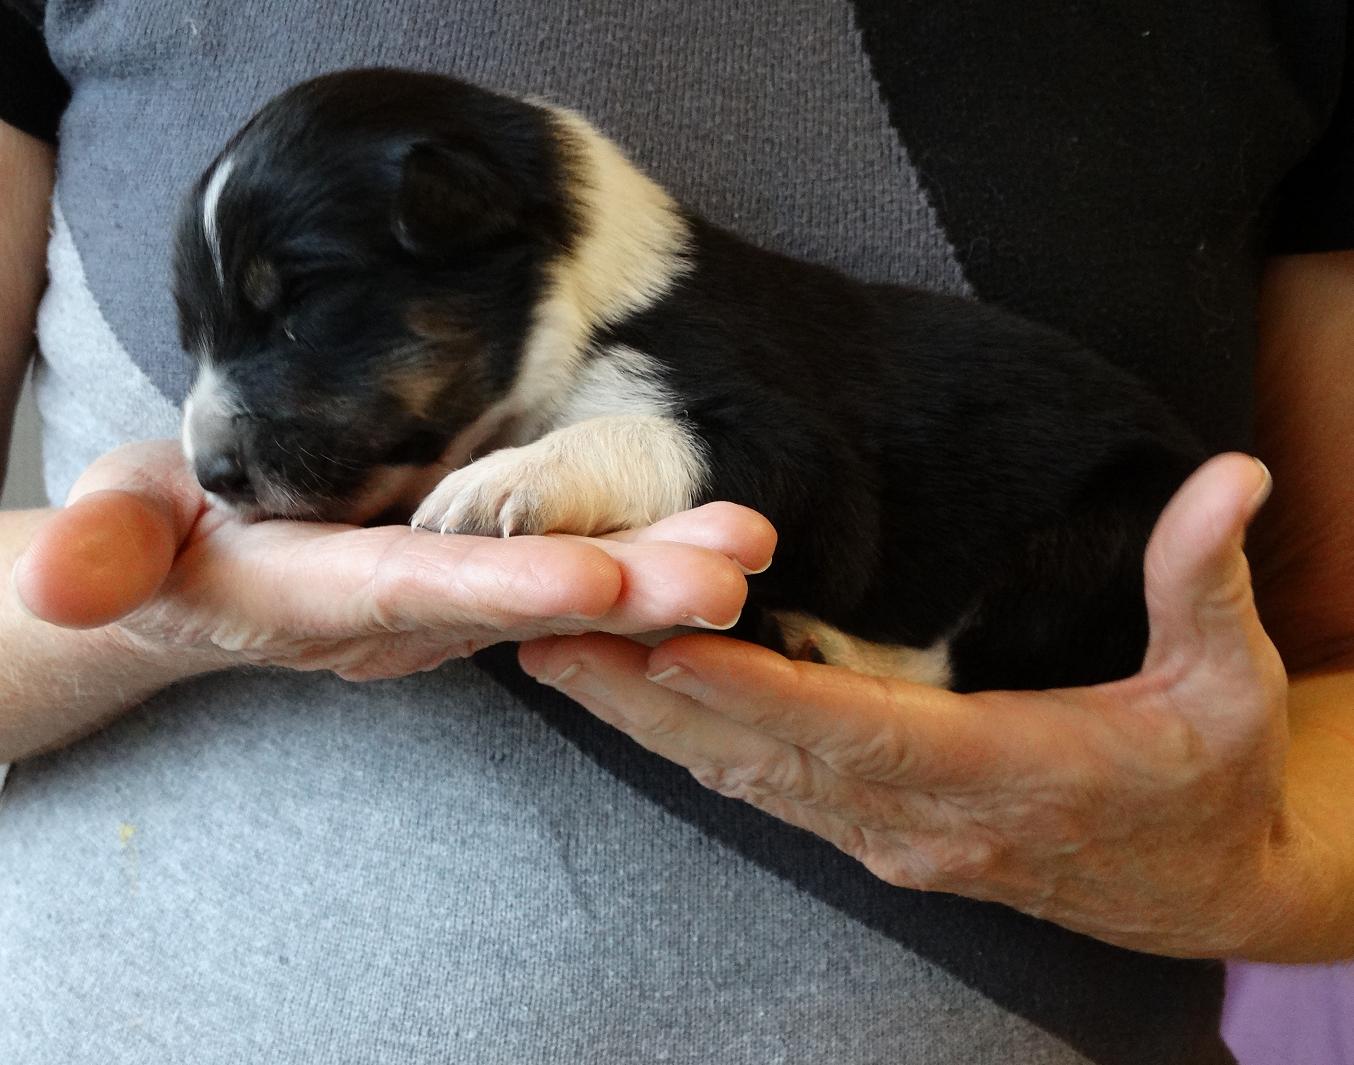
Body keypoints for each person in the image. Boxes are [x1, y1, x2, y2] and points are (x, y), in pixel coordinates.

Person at [1, 2, 1350, 1062]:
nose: (215, 426)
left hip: (1070, 528)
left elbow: (1327, 655)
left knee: (1092, 534)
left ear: (490, 232)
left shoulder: (683, 341)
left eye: (294, 314)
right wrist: (146, 616)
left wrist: (1247, 860)